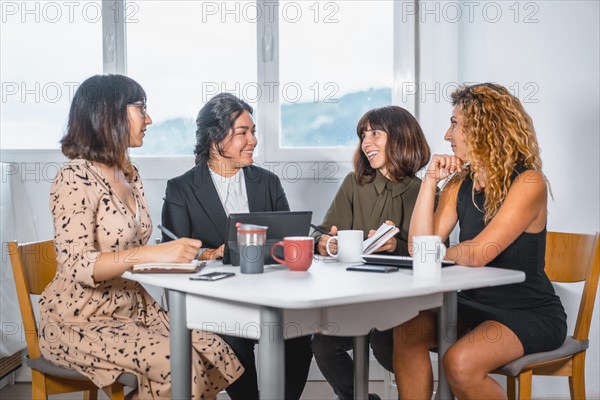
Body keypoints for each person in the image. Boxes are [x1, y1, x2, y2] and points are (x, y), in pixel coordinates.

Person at [38, 75, 243, 400]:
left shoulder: (129, 173)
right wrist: (153, 255)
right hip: (81, 319)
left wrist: (184, 257)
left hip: (132, 307)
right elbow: (79, 265)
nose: (149, 119)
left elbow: (130, 250)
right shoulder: (74, 177)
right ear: (110, 113)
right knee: (178, 364)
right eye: (141, 108)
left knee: (214, 349)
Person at [393, 83, 567, 399]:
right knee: (407, 329)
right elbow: (419, 248)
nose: (447, 135)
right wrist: (429, 181)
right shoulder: (460, 183)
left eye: (455, 124)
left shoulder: (528, 182)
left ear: (483, 128)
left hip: (527, 313)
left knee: (459, 362)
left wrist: (438, 253)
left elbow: (478, 253)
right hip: (474, 306)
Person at [161, 92, 312, 400]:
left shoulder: (268, 182)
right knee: (232, 339)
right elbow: (171, 253)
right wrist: (209, 253)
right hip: (216, 302)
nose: (253, 140)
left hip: (269, 295)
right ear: (215, 137)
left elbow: (286, 239)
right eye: (243, 132)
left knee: (299, 335)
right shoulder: (181, 189)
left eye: (253, 131)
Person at [311, 105, 431, 400]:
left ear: (401, 137)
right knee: (323, 344)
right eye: (363, 135)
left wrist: (396, 246)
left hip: (402, 306)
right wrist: (327, 243)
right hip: (355, 300)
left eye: (375, 133)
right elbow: (321, 233)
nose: (366, 142)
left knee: (385, 344)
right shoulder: (354, 184)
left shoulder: (424, 191)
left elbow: (437, 253)